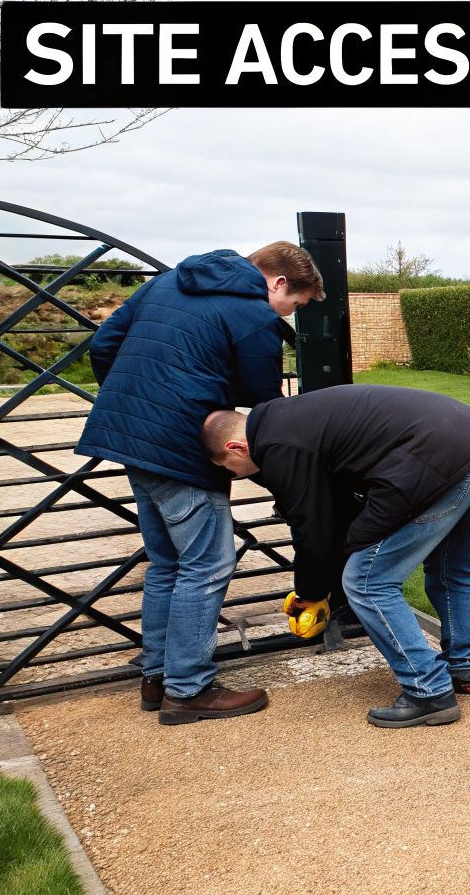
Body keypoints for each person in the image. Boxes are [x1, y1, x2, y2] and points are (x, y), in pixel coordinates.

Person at [77, 242, 322, 726]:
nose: (287, 317)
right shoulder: (252, 314)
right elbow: (264, 401)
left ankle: (158, 676)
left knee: (168, 562)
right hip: (183, 448)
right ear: (277, 284)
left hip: (129, 439)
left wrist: (145, 401)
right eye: (294, 306)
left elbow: (103, 347)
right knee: (208, 564)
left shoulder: (167, 282)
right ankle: (188, 690)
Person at [201, 384, 470, 728]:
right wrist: (325, 580)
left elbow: (313, 531)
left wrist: (311, 594)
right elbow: (338, 513)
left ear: (236, 447)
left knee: (367, 581)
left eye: (229, 469)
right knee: (451, 565)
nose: (235, 477)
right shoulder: (288, 420)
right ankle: (466, 669)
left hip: (442, 461)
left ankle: (428, 690)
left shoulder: (279, 447)